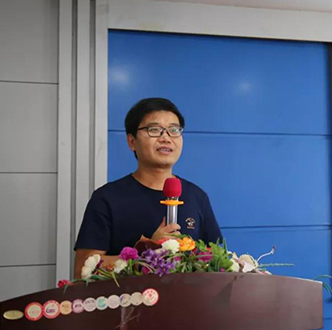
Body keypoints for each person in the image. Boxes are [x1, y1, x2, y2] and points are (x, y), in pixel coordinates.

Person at [73, 98, 222, 278]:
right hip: (128, 296)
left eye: (174, 130)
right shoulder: (107, 198)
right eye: (154, 130)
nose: (166, 138)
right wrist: (147, 252)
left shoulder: (197, 196)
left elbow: (216, 262)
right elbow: (82, 268)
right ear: (131, 141)